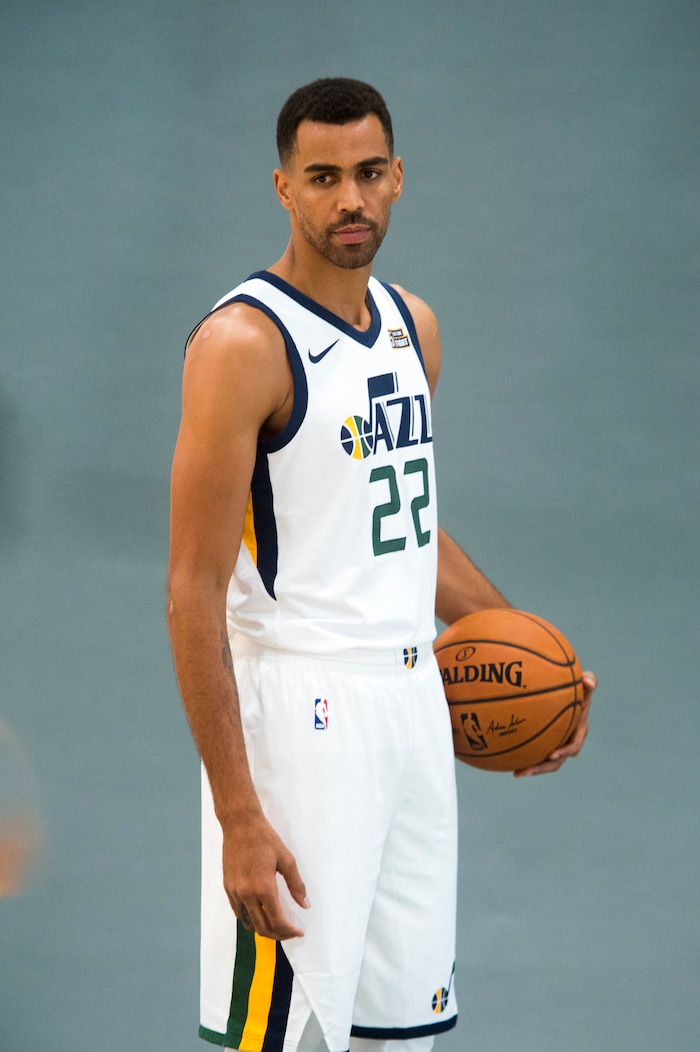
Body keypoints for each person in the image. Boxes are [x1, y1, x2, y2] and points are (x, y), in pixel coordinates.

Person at [167, 77, 596, 1052]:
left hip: (413, 706)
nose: (349, 199)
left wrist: (539, 656)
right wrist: (238, 812)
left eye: (367, 173)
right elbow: (191, 589)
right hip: (301, 717)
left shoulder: (413, 328)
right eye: (322, 177)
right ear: (283, 186)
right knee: (273, 1036)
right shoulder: (242, 344)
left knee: (402, 1037)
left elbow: (406, 531)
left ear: (399, 176)